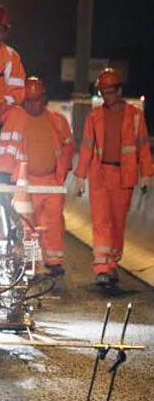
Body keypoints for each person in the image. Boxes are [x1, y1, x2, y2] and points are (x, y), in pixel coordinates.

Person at [74, 67, 152, 286]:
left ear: (119, 90)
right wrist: (80, 175)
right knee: (102, 221)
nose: (106, 96)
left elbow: (143, 146)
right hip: (100, 174)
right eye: (103, 92)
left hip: (124, 176)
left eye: (109, 91)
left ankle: (112, 263)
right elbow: (87, 147)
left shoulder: (135, 116)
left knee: (117, 223)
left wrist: (146, 173)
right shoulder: (95, 117)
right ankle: (101, 267)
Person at [0, 77, 75, 275]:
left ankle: (53, 260)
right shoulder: (18, 120)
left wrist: (61, 172)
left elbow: (68, 145)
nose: (33, 104)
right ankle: (30, 262)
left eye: (36, 99)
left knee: (53, 222)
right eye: (28, 100)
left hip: (51, 181)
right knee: (28, 224)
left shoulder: (57, 120)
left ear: (44, 99)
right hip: (25, 181)